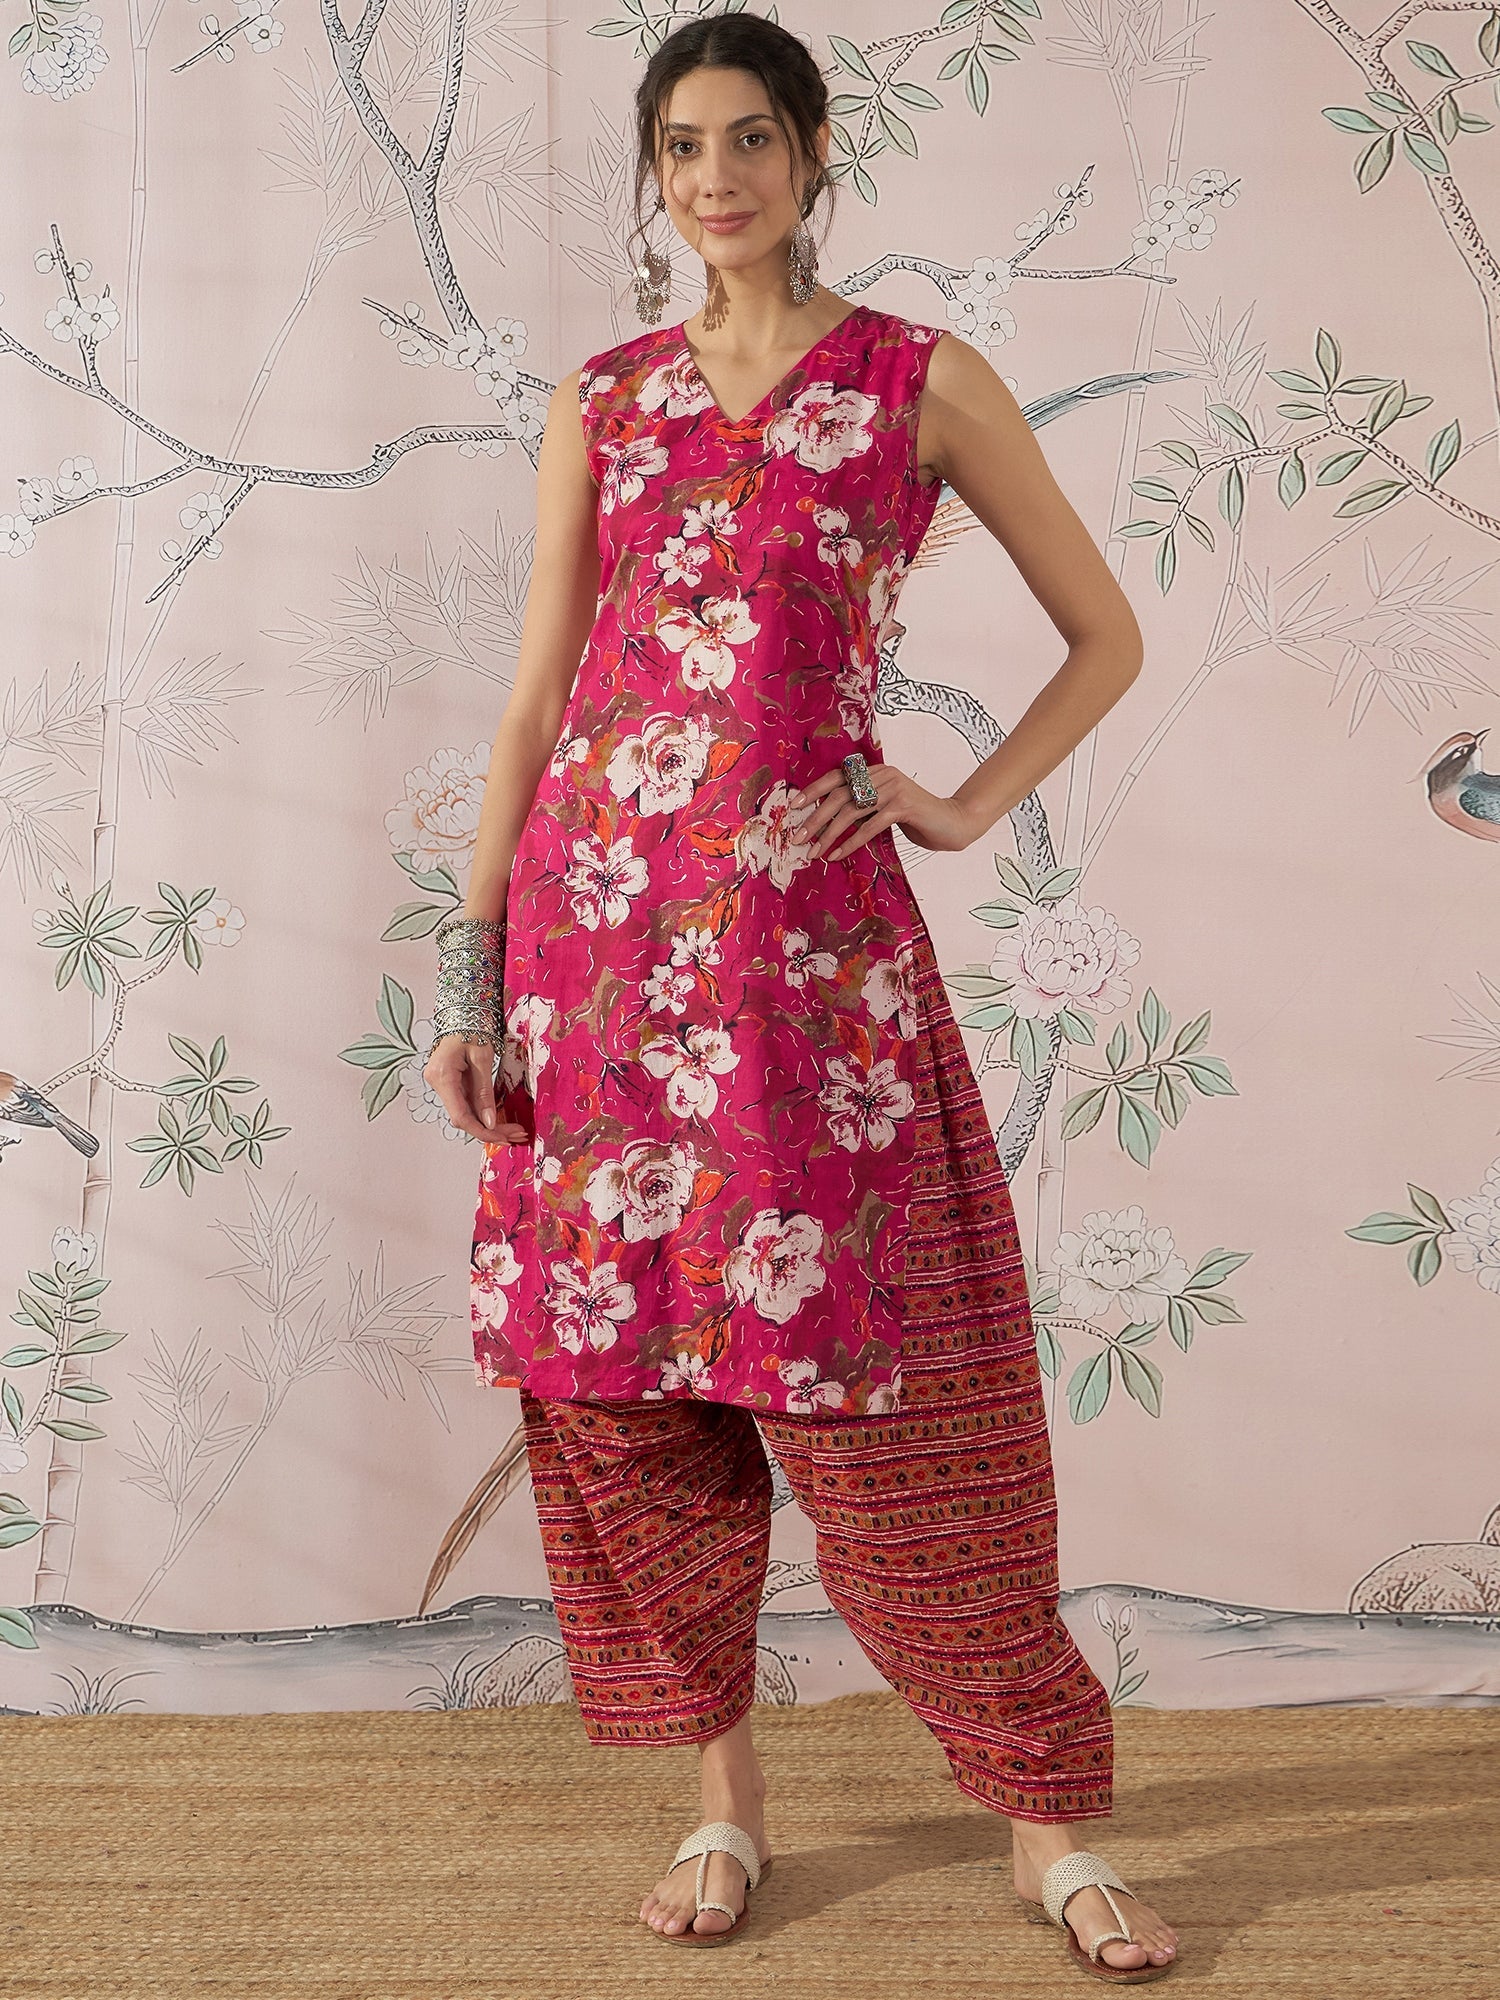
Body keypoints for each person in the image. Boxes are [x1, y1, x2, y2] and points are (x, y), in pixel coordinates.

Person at [423, 11, 1177, 1984]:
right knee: (635, 1399)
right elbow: (535, 699)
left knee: (907, 1406)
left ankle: (1048, 1822)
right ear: (655, 172)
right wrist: (472, 967)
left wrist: (961, 802)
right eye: (684, 145)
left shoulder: (917, 381)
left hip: (810, 978)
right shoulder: (604, 400)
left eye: (751, 137)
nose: (718, 177)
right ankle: (723, 1802)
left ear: (815, 150)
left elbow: (1107, 635)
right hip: (597, 960)